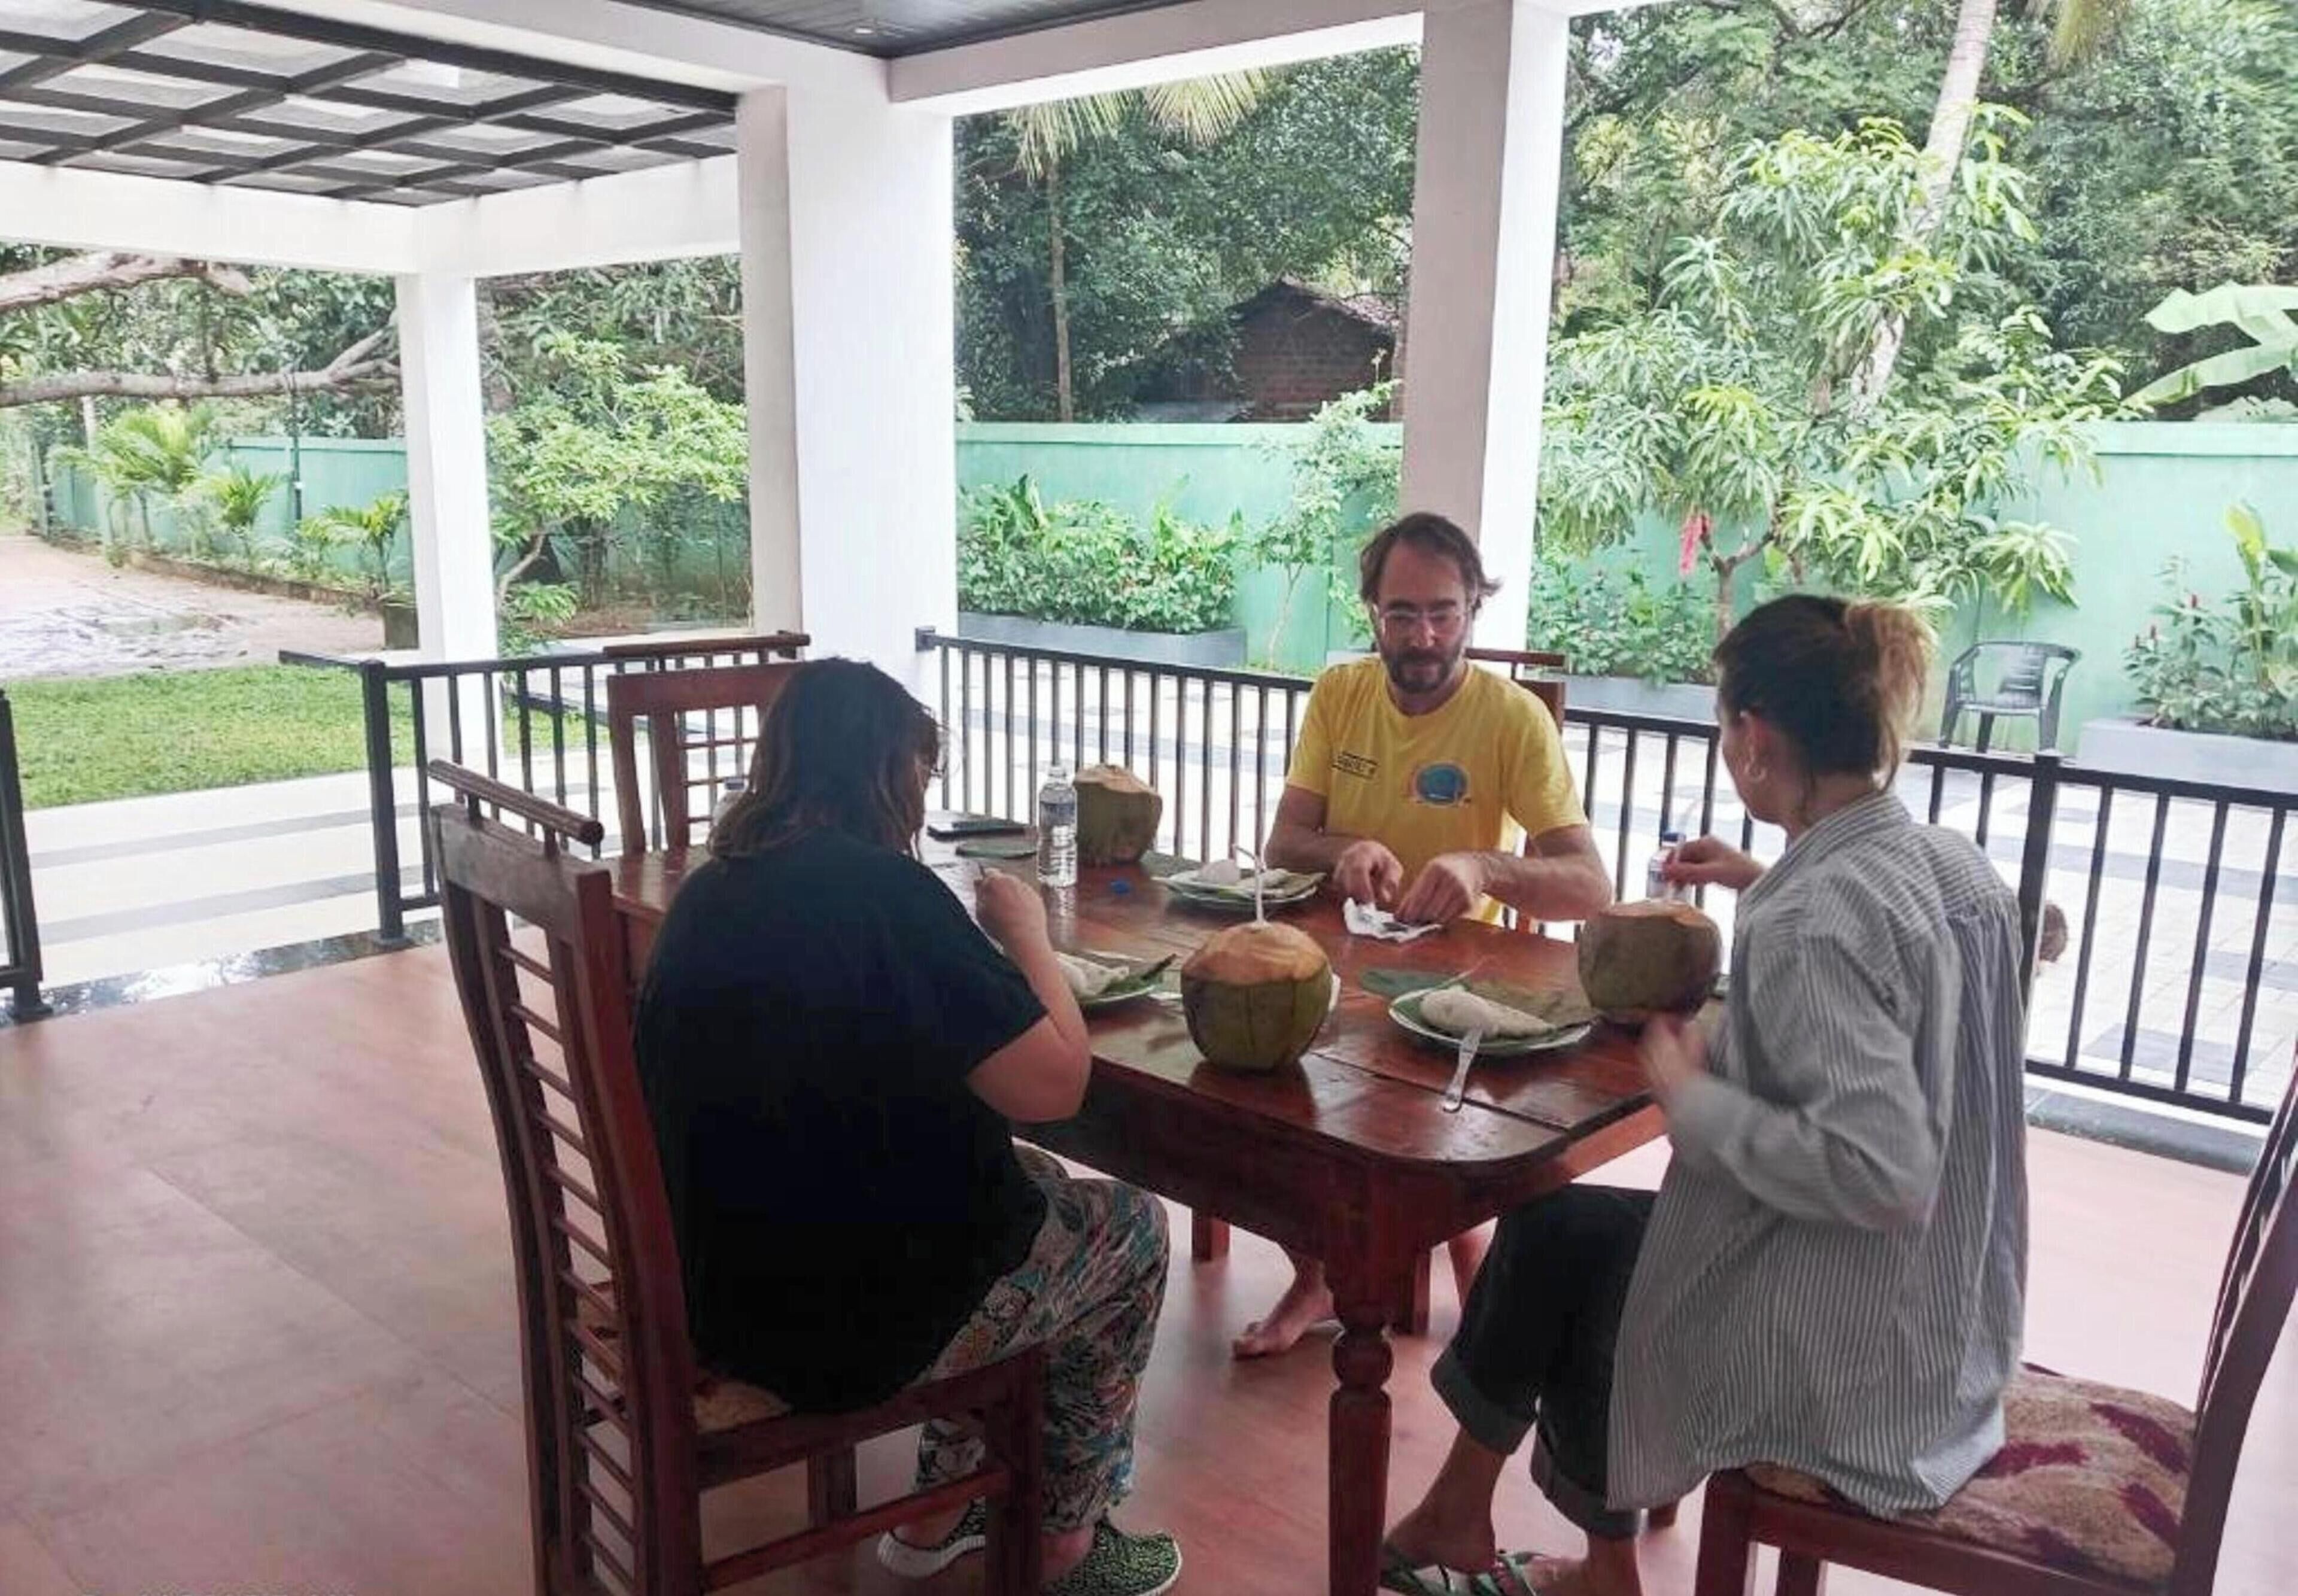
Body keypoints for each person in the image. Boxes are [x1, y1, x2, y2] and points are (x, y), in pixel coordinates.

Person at [1379, 595, 2030, 1596]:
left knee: (1624, 1275)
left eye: (1725, 728)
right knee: (1560, 1227)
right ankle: (1473, 1515)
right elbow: (1890, 973)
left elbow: (1884, 1173)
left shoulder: (1813, 917)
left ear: (1755, 737)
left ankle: (1580, 1566)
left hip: (1862, 1374)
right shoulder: (1951, 865)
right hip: (1953, 1322)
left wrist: (1691, 1097)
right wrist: (1762, 880)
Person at [634, 658, 1181, 1596]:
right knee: (1130, 1229)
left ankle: (935, 1514)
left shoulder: (712, 891)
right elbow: (1056, 1085)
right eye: (922, 771)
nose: (924, 795)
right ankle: (1066, 1548)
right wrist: (1028, 937)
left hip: (717, 1294)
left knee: (1041, 1189)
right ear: (890, 771)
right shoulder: (889, 897)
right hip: (845, 1333)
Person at [1242, 511, 1614, 1358]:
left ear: (1473, 609)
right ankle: (1318, 1273)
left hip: (1455, 989)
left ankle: (1474, 1317)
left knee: (1442, 1141)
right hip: (1334, 971)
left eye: (1444, 613)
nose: (1423, 637)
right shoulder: (1340, 695)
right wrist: (1344, 850)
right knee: (1248, 1101)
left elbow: (1590, 887)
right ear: (1372, 611)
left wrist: (1486, 867)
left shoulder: (1513, 719)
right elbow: (1284, 844)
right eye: (1402, 614)